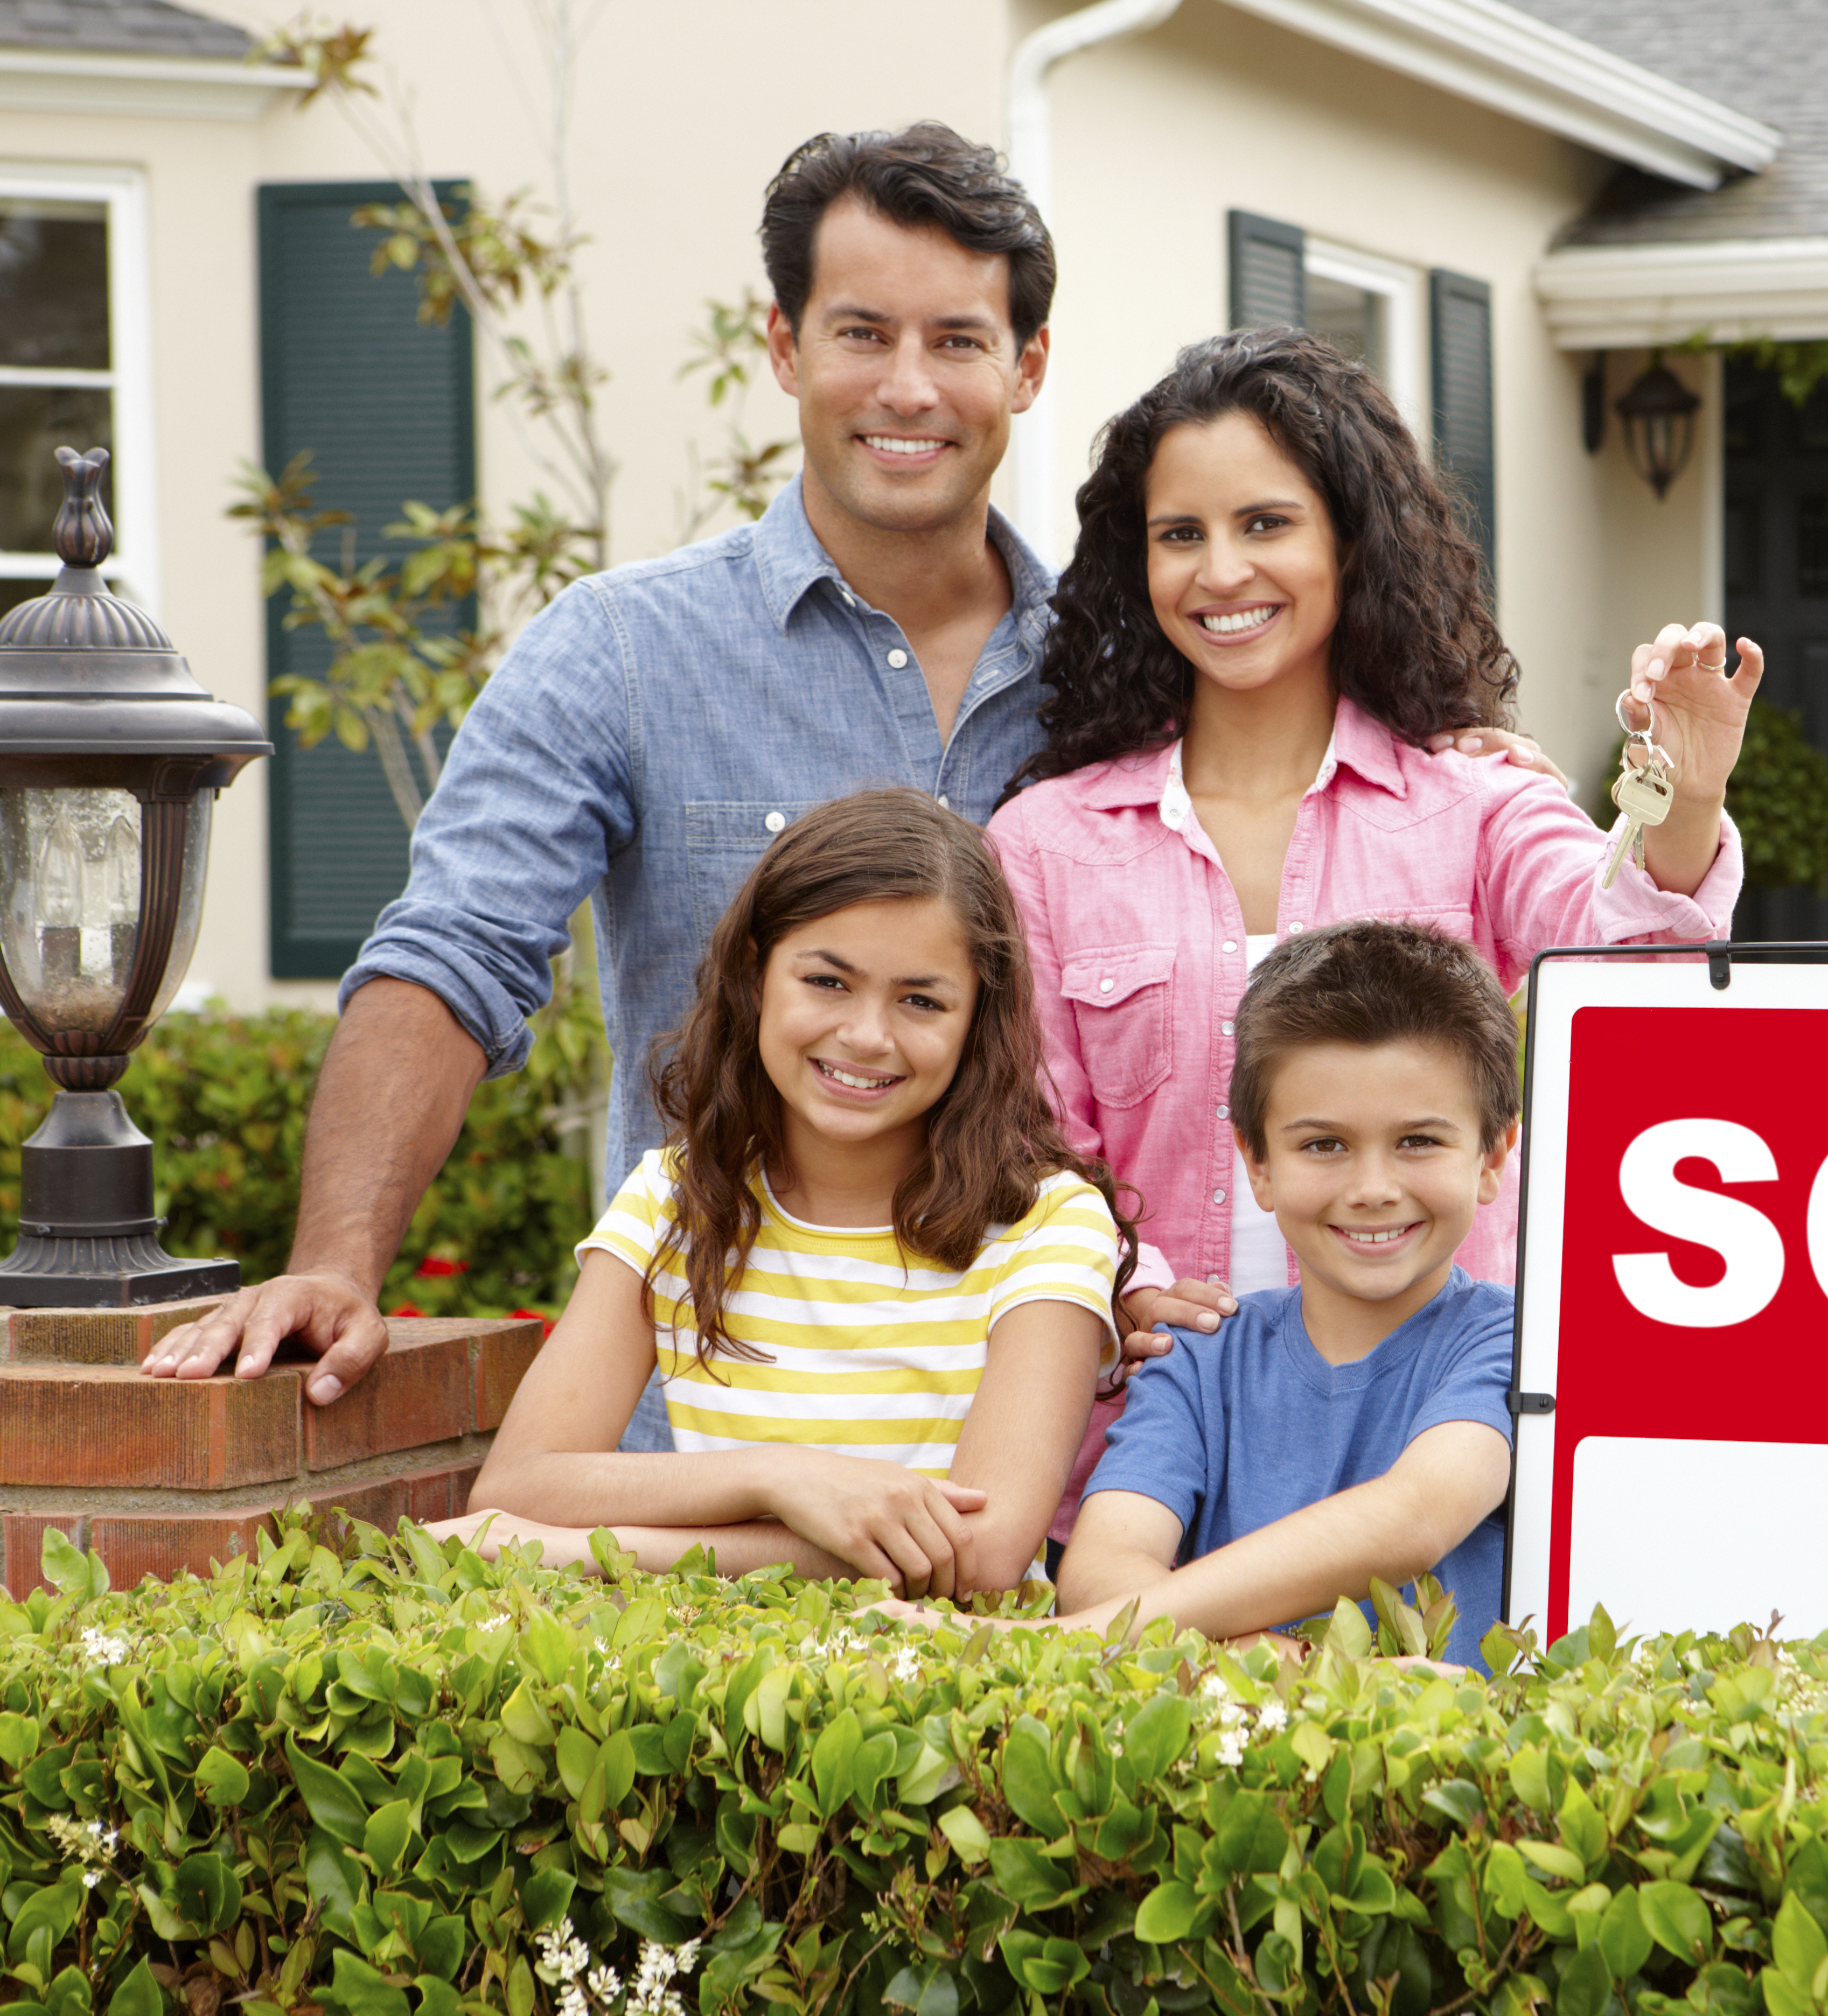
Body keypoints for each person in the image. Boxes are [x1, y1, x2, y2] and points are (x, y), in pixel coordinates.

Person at [139, 125, 1548, 1434]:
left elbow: (1314, 738)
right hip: (717, 1441)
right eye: (863, 333)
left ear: (1031, 365)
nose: (909, 387)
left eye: (958, 339)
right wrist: (336, 1262)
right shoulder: (622, 652)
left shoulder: (1144, 670)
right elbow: (451, 958)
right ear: (785, 344)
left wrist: (1465, 754)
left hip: (1049, 1465)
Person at [985, 328, 1760, 1508]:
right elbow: (1028, 1155)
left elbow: (1635, 958)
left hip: (1424, 1447)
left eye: (1267, 524)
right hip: (1149, 1452)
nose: (1222, 572)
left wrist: (1688, 796)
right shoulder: (1046, 840)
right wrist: (1112, 1289)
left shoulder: (1476, 799)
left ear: (1352, 540)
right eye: (1180, 535)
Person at [431, 790, 1121, 1591]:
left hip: (945, 1692)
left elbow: (981, 1556)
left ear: (979, 1019)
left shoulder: (1048, 1225)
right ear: (757, 974)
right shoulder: (675, 1198)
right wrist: (782, 1479)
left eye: (922, 1000)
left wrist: (604, 1546)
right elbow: (517, 1486)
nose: (868, 1035)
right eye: (828, 982)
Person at [1048, 920, 1521, 1667]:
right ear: (1258, 1162)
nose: (1373, 1189)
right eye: (1324, 1145)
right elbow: (1102, 1571)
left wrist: (1057, 1643)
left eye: (1419, 1141)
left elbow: (1416, 1517)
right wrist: (1252, 1658)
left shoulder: (1516, 1342)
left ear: (1493, 1157)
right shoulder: (1200, 1350)